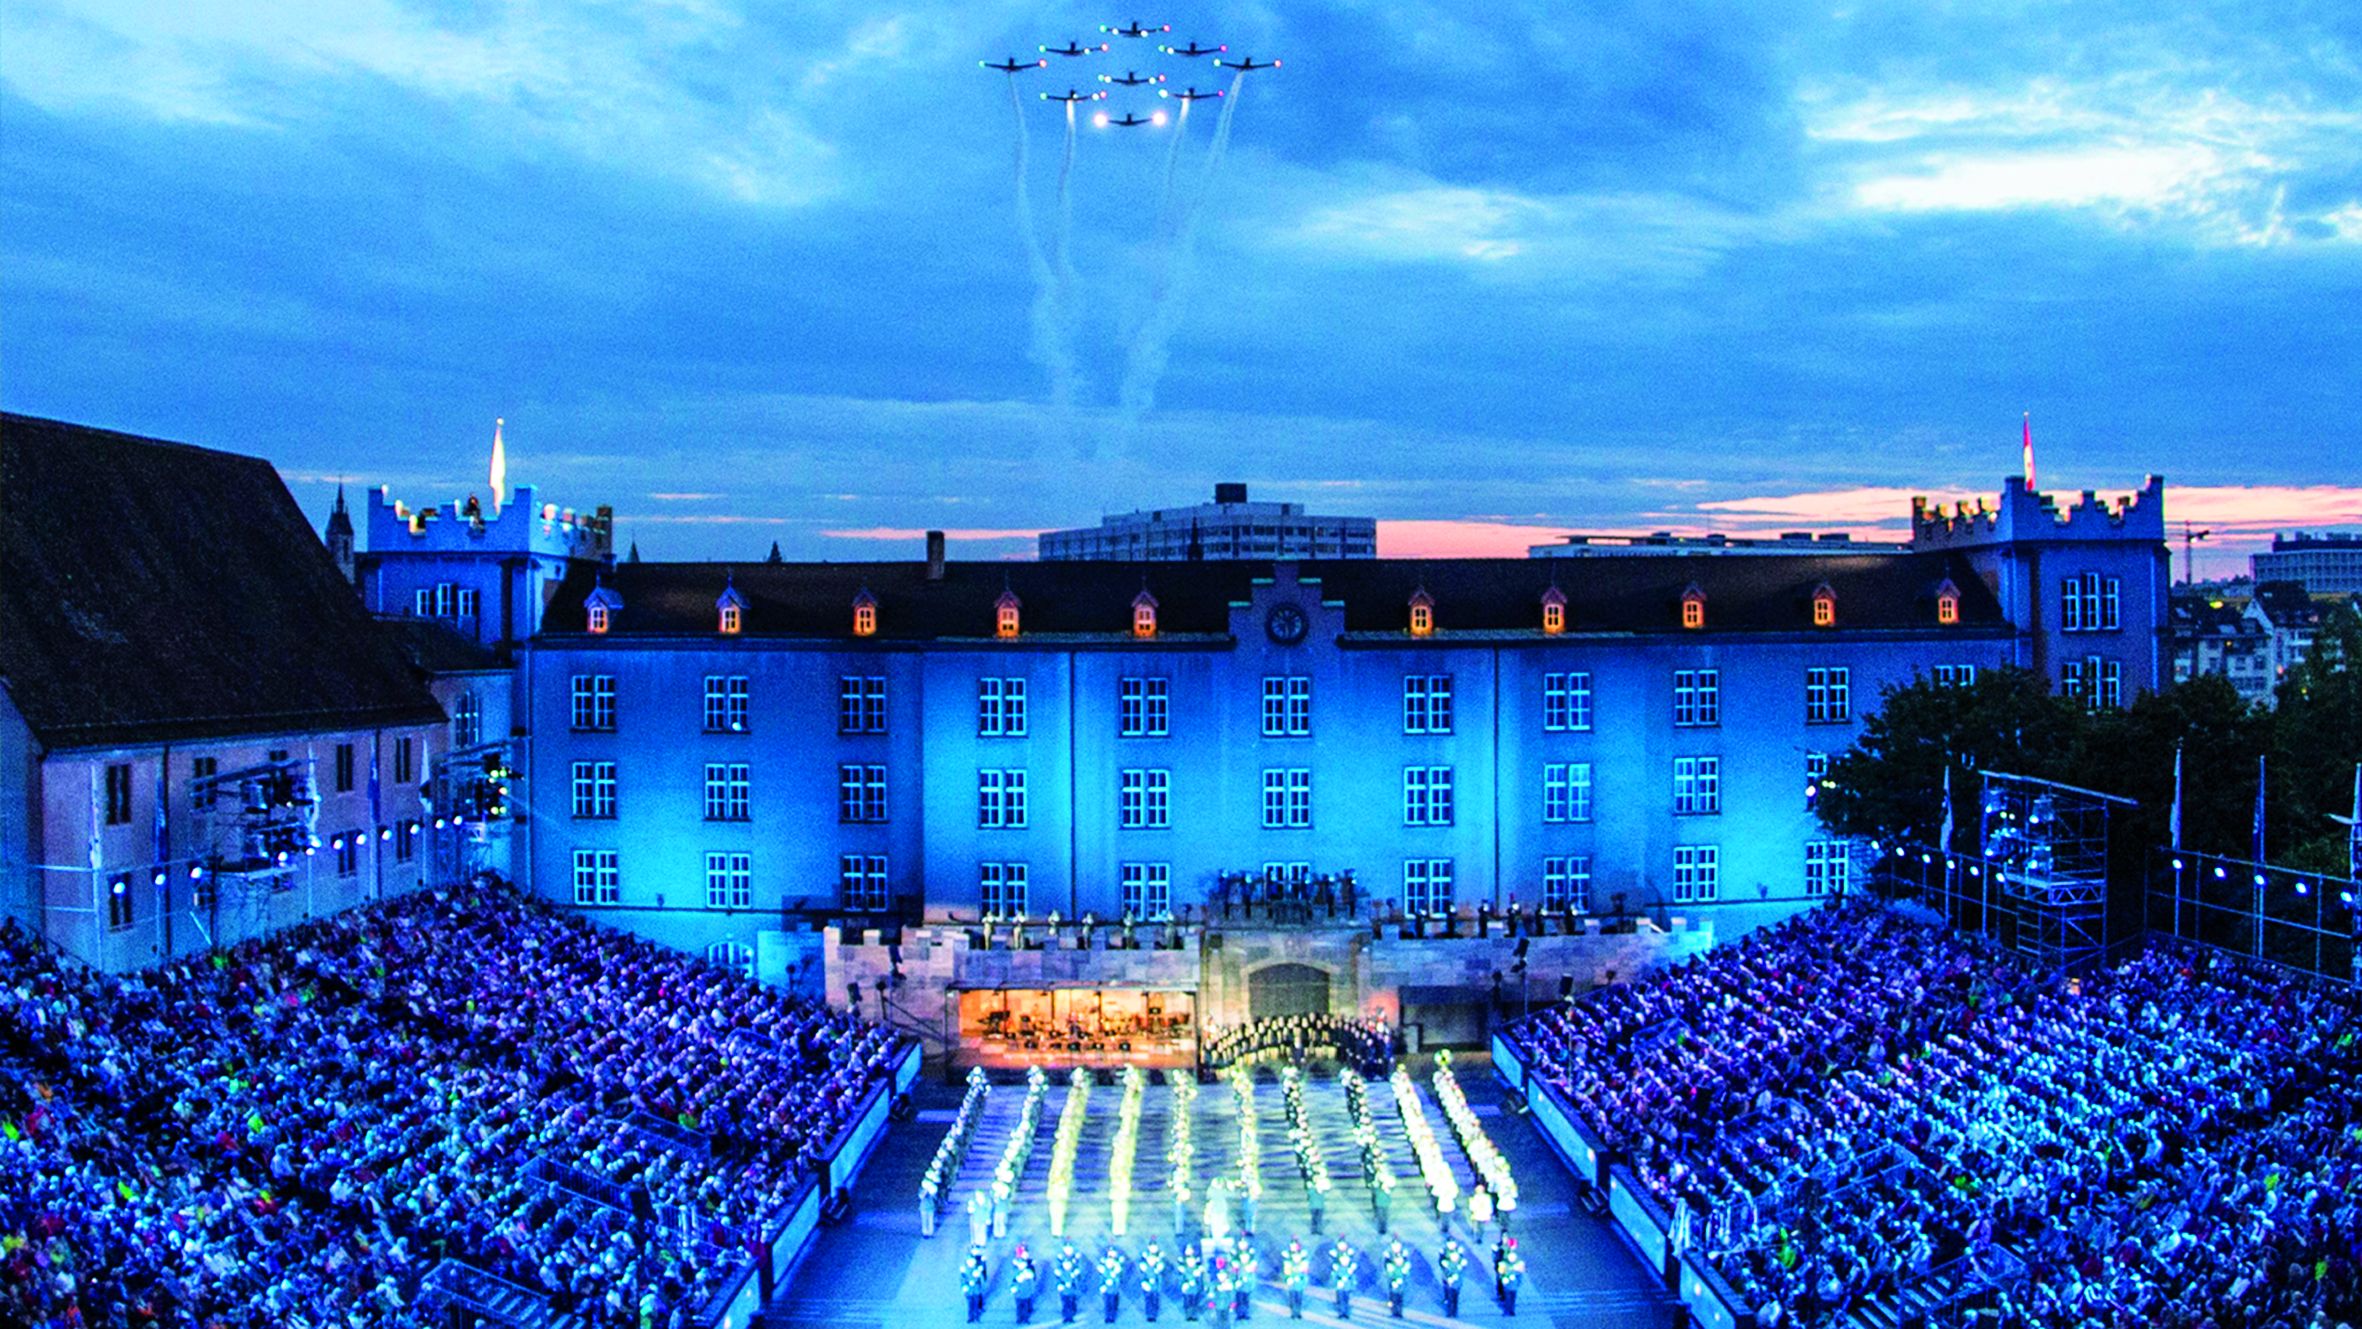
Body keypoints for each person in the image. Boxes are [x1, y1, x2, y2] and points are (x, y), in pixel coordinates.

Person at [1329, 1237, 1359, 1318]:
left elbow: (1353, 1278)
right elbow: (1333, 1276)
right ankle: (1341, 1312)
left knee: (1346, 1299)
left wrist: (1353, 1285)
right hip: (1340, 1286)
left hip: (1347, 1286)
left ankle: (1345, 1312)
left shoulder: (1349, 1267)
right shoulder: (1337, 1264)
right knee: (1340, 1298)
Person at [1495, 1236, 1525, 1316]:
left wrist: (1518, 1283)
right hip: (1507, 1285)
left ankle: (1512, 1310)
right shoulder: (1504, 1264)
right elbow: (1501, 1274)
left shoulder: (1518, 1263)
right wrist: (1504, 1280)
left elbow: (1520, 1275)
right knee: (1507, 1298)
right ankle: (1507, 1311)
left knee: (1513, 1299)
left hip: (1514, 1285)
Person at [1438, 1238, 1468, 1317]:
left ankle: (1454, 1311)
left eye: (1453, 1244)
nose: (1451, 1245)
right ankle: (1449, 1309)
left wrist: (1462, 1264)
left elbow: (1462, 1264)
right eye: (1450, 1244)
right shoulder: (1444, 1251)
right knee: (1449, 1292)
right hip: (1447, 1275)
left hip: (1457, 1278)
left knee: (1455, 1295)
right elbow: (1441, 1263)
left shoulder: (1459, 1251)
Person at [1281, 1239, 1310, 1319]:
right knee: (1293, 1298)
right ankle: (1294, 1312)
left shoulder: (1303, 1262)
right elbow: (1286, 1272)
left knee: (1299, 1298)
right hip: (1292, 1284)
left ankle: (1298, 1311)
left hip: (1299, 1284)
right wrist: (1288, 1279)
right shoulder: (1288, 1262)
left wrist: (1303, 1280)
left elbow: (1305, 1273)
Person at [1057, 1242, 1085, 1323]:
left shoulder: (1074, 1260)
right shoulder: (1062, 1263)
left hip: (1072, 1290)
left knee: (1071, 1302)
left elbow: (1077, 1277)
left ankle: (1071, 1314)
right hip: (1065, 1291)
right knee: (1065, 1303)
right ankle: (1066, 1316)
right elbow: (1059, 1278)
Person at [1141, 1240, 1168, 1321]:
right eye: (1152, 1247)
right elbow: (1142, 1274)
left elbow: (1161, 1272)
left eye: (1154, 1247)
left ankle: (1154, 1313)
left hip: (1156, 1285)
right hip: (1148, 1286)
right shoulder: (1145, 1259)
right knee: (1148, 1300)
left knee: (1155, 1299)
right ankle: (1149, 1314)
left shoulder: (1159, 1257)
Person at [1179, 1244, 1206, 1322]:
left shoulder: (1197, 1270)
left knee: (1194, 1302)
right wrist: (1183, 1285)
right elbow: (1182, 1279)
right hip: (1187, 1290)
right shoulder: (1185, 1270)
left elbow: (1200, 1281)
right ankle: (1188, 1314)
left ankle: (1194, 1314)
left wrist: (1200, 1288)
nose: (1191, 1263)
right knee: (1187, 1302)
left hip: (1195, 1290)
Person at [963, 1245, 991, 1323]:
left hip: (976, 1289)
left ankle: (976, 1315)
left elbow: (981, 1271)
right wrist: (965, 1286)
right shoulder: (966, 1269)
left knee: (975, 1303)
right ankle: (971, 1317)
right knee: (970, 1305)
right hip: (970, 1290)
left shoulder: (977, 1265)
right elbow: (963, 1279)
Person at [1383, 1238, 1411, 1318]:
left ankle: (1399, 1311)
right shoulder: (1390, 1256)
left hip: (1401, 1284)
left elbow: (1406, 1271)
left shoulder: (1403, 1255)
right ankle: (1393, 1309)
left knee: (1400, 1298)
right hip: (1393, 1282)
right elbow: (1388, 1269)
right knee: (1393, 1296)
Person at [1014, 1246, 1041, 1324]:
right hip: (1020, 1289)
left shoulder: (1029, 1262)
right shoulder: (1019, 1264)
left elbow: (1032, 1272)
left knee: (1026, 1301)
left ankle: (1026, 1314)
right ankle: (1020, 1317)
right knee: (1020, 1304)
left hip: (1026, 1287)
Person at [1100, 1246, 1127, 1323]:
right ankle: (1108, 1316)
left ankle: (1112, 1315)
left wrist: (1115, 1278)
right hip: (1107, 1290)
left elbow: (1119, 1279)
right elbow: (1102, 1279)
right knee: (1107, 1303)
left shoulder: (1116, 1268)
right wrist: (1102, 1286)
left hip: (1114, 1290)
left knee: (1113, 1302)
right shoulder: (1105, 1270)